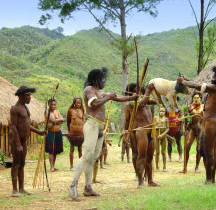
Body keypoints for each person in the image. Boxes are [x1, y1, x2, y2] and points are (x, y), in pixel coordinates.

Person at [68, 67, 137, 200]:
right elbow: (94, 104)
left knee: (94, 156)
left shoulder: (100, 92)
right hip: (92, 125)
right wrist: (108, 97)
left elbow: (118, 98)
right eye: (102, 78)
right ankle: (73, 184)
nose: (104, 81)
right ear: (96, 79)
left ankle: (88, 187)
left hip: (100, 127)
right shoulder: (89, 90)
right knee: (87, 154)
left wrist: (132, 97)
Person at [178, 66, 216, 184]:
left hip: (211, 123)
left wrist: (182, 82)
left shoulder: (215, 88)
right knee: (212, 152)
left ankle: (209, 180)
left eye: (214, 75)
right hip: (214, 122)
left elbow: (197, 86)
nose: (212, 77)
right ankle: (212, 180)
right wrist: (188, 80)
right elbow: (198, 88)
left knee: (209, 153)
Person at [10, 86, 46, 197]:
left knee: (22, 164)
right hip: (17, 141)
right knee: (16, 164)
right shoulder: (15, 108)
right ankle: (14, 190)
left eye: (30, 95)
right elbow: (14, 127)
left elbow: (27, 124)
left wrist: (39, 132)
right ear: (21, 96)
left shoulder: (25, 108)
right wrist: (18, 144)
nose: (30, 98)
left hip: (23, 141)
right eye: (28, 95)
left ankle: (21, 189)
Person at [125, 82, 159, 187]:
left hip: (149, 129)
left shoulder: (146, 102)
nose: (137, 93)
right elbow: (127, 121)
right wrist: (126, 132)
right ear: (131, 93)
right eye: (135, 91)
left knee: (149, 157)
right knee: (141, 155)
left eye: (139, 91)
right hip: (140, 130)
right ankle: (140, 181)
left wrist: (156, 92)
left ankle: (150, 180)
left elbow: (157, 101)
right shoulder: (131, 104)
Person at [183, 91, 204, 173]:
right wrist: (185, 130)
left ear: (200, 99)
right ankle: (185, 166)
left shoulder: (203, 107)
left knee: (199, 149)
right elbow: (185, 119)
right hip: (191, 129)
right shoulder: (189, 107)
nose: (196, 99)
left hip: (200, 130)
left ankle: (197, 167)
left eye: (197, 98)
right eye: (194, 98)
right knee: (187, 147)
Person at [45, 98, 64, 172]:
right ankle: (51, 166)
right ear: (49, 105)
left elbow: (62, 120)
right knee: (51, 150)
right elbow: (52, 121)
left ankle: (54, 165)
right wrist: (56, 120)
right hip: (51, 133)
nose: (53, 106)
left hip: (58, 132)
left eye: (54, 104)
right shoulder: (47, 112)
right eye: (52, 104)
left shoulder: (57, 112)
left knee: (56, 150)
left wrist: (55, 121)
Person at [67, 97, 85, 171]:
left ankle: (80, 165)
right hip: (72, 132)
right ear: (74, 103)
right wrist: (69, 131)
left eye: (79, 103)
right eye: (77, 102)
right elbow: (68, 121)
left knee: (80, 149)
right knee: (72, 149)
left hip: (80, 133)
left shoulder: (82, 111)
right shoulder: (70, 111)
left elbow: (83, 120)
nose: (78, 104)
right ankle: (71, 166)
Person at [154, 107, 169, 171]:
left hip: (163, 136)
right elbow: (153, 127)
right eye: (160, 111)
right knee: (157, 152)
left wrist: (162, 135)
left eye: (163, 111)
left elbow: (168, 129)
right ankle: (157, 166)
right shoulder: (156, 119)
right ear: (158, 112)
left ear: (164, 112)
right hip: (157, 137)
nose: (161, 112)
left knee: (163, 152)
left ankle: (164, 166)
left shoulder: (166, 119)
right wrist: (156, 127)